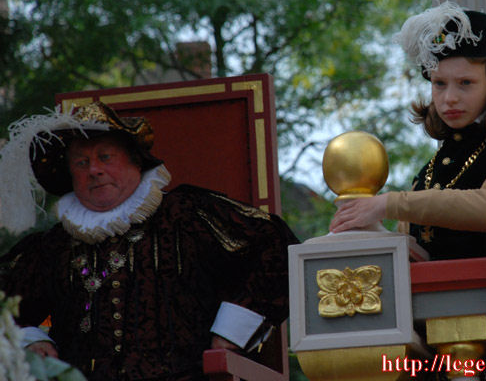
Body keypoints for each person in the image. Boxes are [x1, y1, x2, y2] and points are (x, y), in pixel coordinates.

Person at [0, 101, 298, 380]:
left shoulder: (188, 215)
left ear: (135, 162)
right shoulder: (53, 245)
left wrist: (230, 333)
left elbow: (276, 247)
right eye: (81, 162)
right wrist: (29, 340)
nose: (94, 170)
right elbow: (5, 303)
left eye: (105, 157)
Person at [329, 1, 486, 260]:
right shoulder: (428, 172)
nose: (450, 98)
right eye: (439, 84)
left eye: (465, 83)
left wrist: (386, 204)